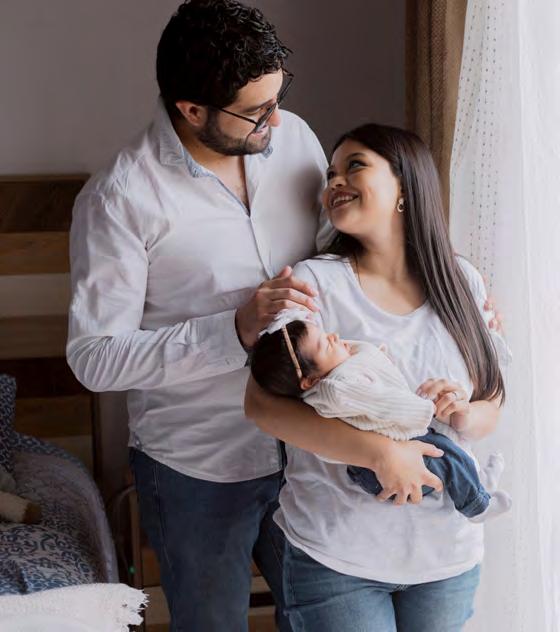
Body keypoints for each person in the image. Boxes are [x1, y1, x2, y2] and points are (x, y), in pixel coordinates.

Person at [66, 1, 331, 629]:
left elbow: (339, 257)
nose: (276, 118)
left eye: (279, 96)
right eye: (256, 110)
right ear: (191, 110)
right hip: (197, 469)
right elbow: (94, 358)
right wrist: (233, 330)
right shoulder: (120, 198)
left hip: (311, 447)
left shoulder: (294, 138)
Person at [245, 123, 511, 631]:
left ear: (405, 186)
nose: (335, 182)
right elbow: (262, 405)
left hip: (446, 558)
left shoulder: (462, 281)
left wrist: (462, 413)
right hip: (337, 555)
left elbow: (492, 401)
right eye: (331, 173)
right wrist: (381, 454)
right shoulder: (311, 283)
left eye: (355, 166)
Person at [250, 308, 512, 523]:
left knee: (452, 452)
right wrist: (425, 408)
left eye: (327, 334)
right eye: (325, 345)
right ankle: (476, 506)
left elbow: (362, 357)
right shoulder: (338, 389)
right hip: (377, 473)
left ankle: (477, 483)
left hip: (389, 454)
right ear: (309, 381)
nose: (334, 337)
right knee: (447, 455)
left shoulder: (332, 375)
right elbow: (386, 404)